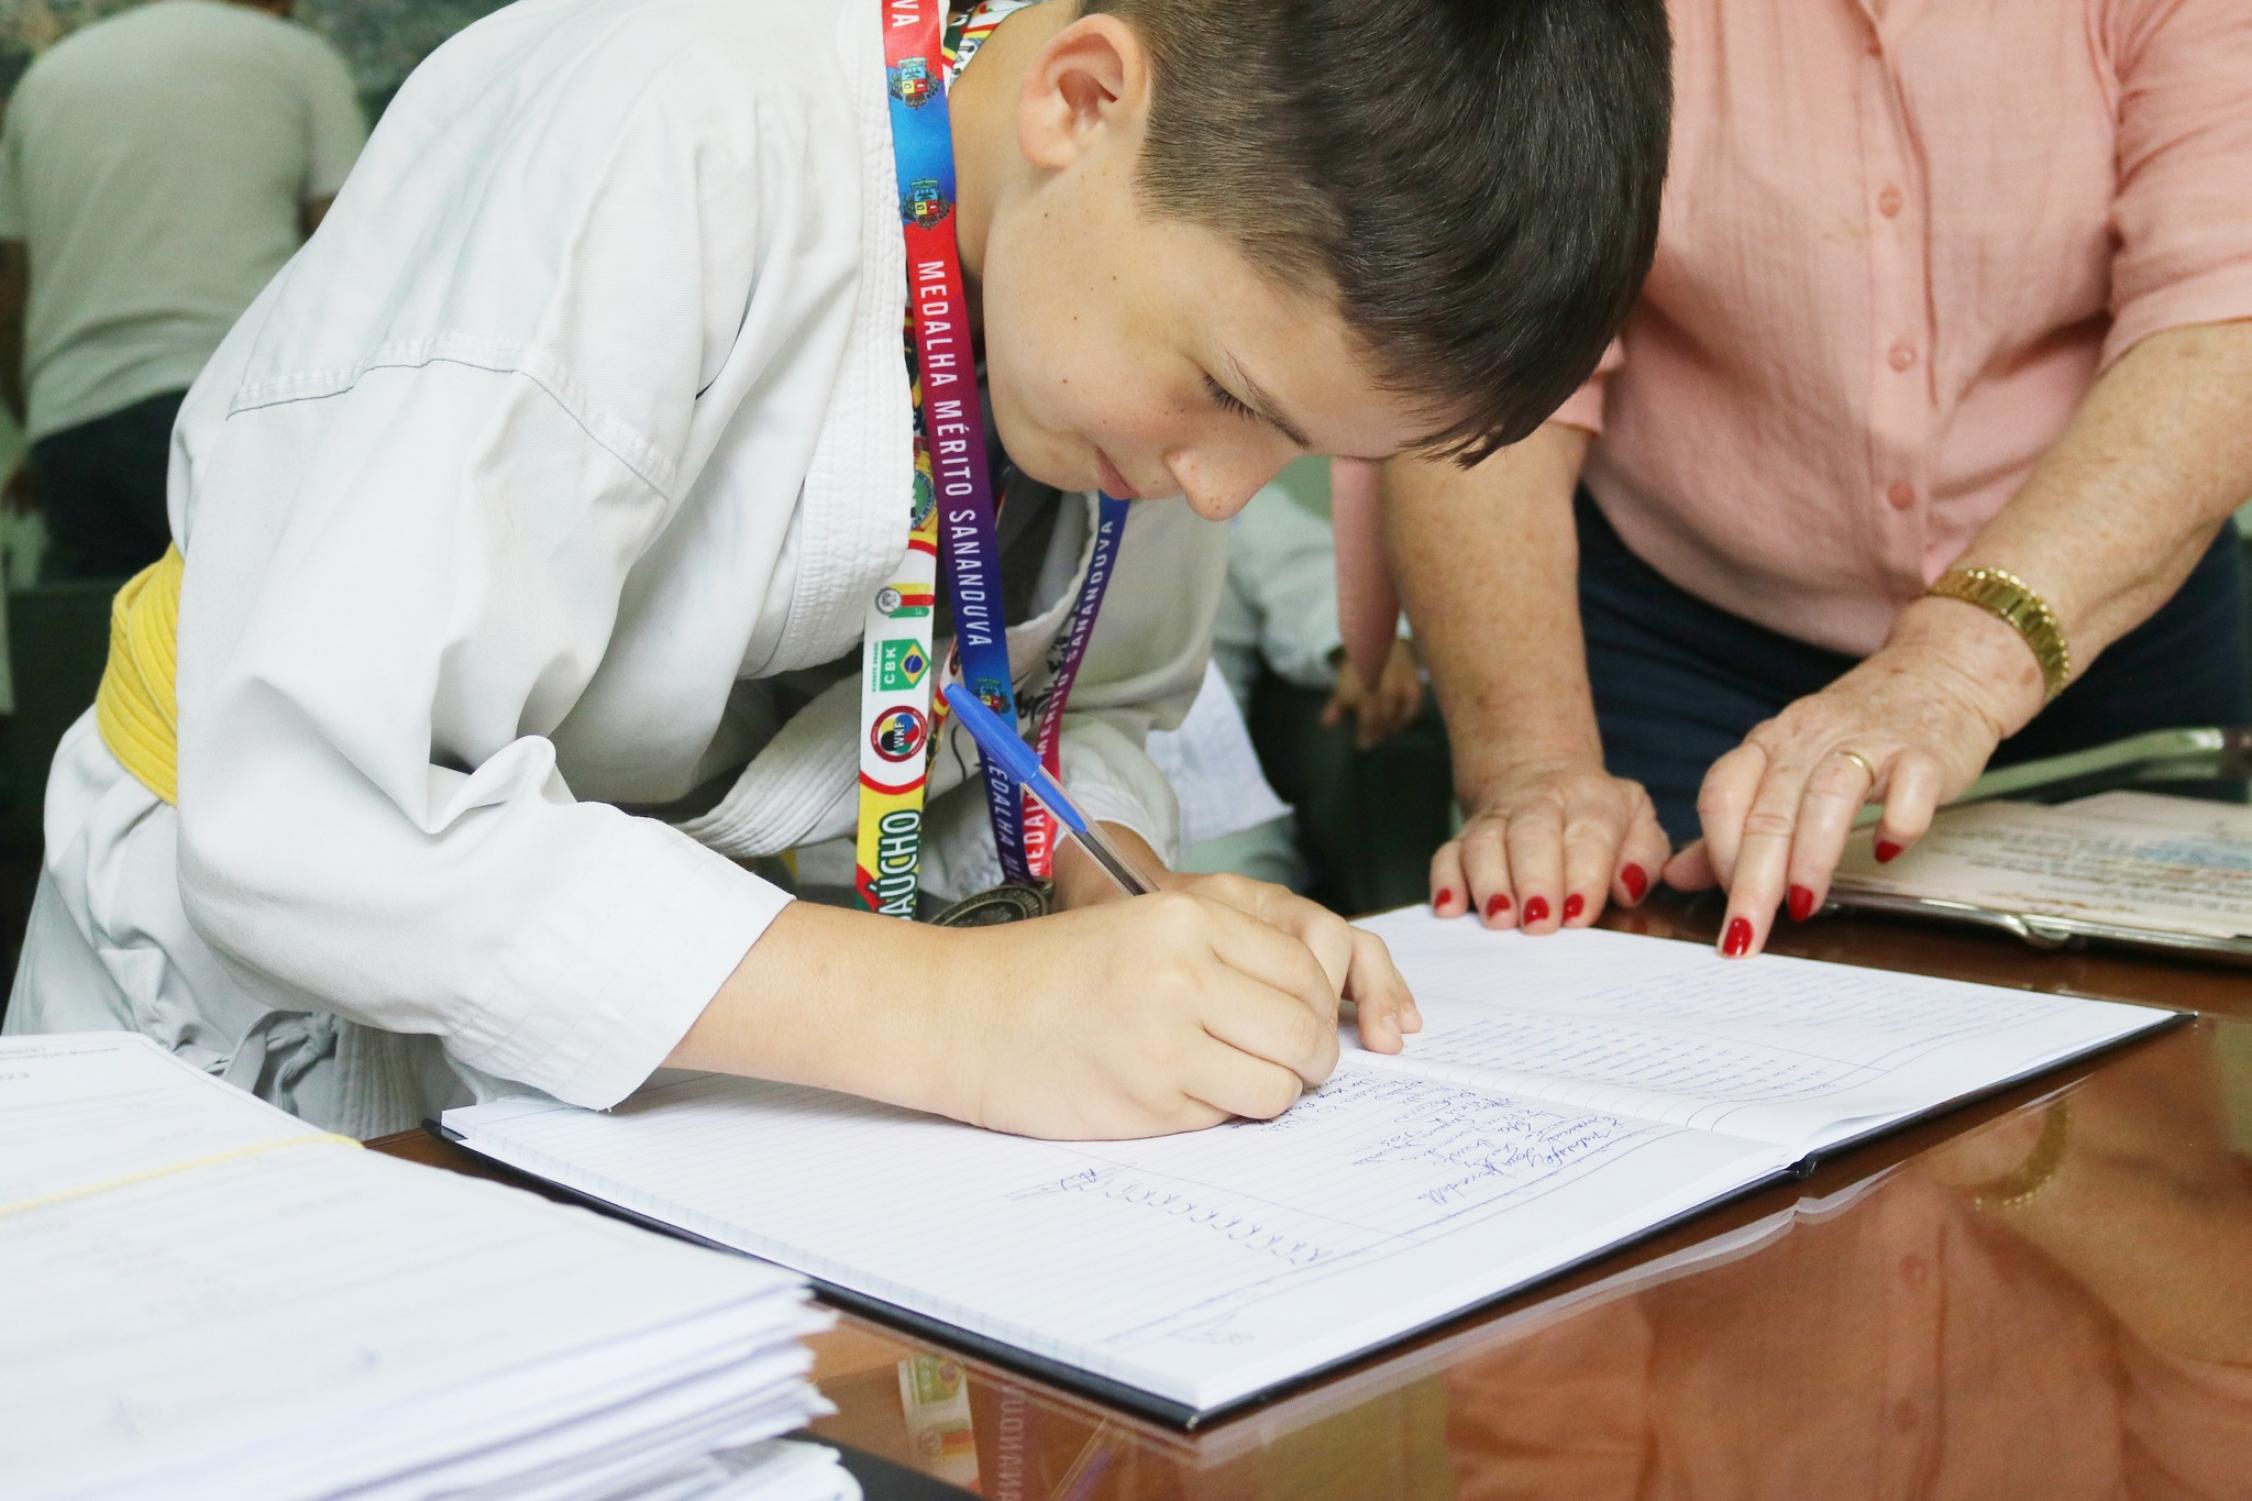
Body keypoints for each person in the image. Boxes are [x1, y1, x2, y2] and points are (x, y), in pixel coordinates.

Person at [3, 0, 1673, 1139]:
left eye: (1304, 447)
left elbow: (1076, 707)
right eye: (1229, 396)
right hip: (263, 1016)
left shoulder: (1123, 296)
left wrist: (1122, 903)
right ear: (1081, 100)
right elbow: (314, 813)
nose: (1224, 488)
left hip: (688, 1056)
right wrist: (967, 1015)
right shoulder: (666, 116)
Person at [1386, 0, 2252, 960]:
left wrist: (1957, 669)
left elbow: (2224, 318)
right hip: (1680, 644)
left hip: (2104, 621)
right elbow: (1485, 363)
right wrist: (1533, 766)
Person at [0, 0, 365, 581]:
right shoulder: (296, 57)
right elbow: (347, 243)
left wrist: (41, 423)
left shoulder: (50, 77)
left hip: (72, 427)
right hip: (228, 405)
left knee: (112, 631)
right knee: (248, 621)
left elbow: (10, 293)